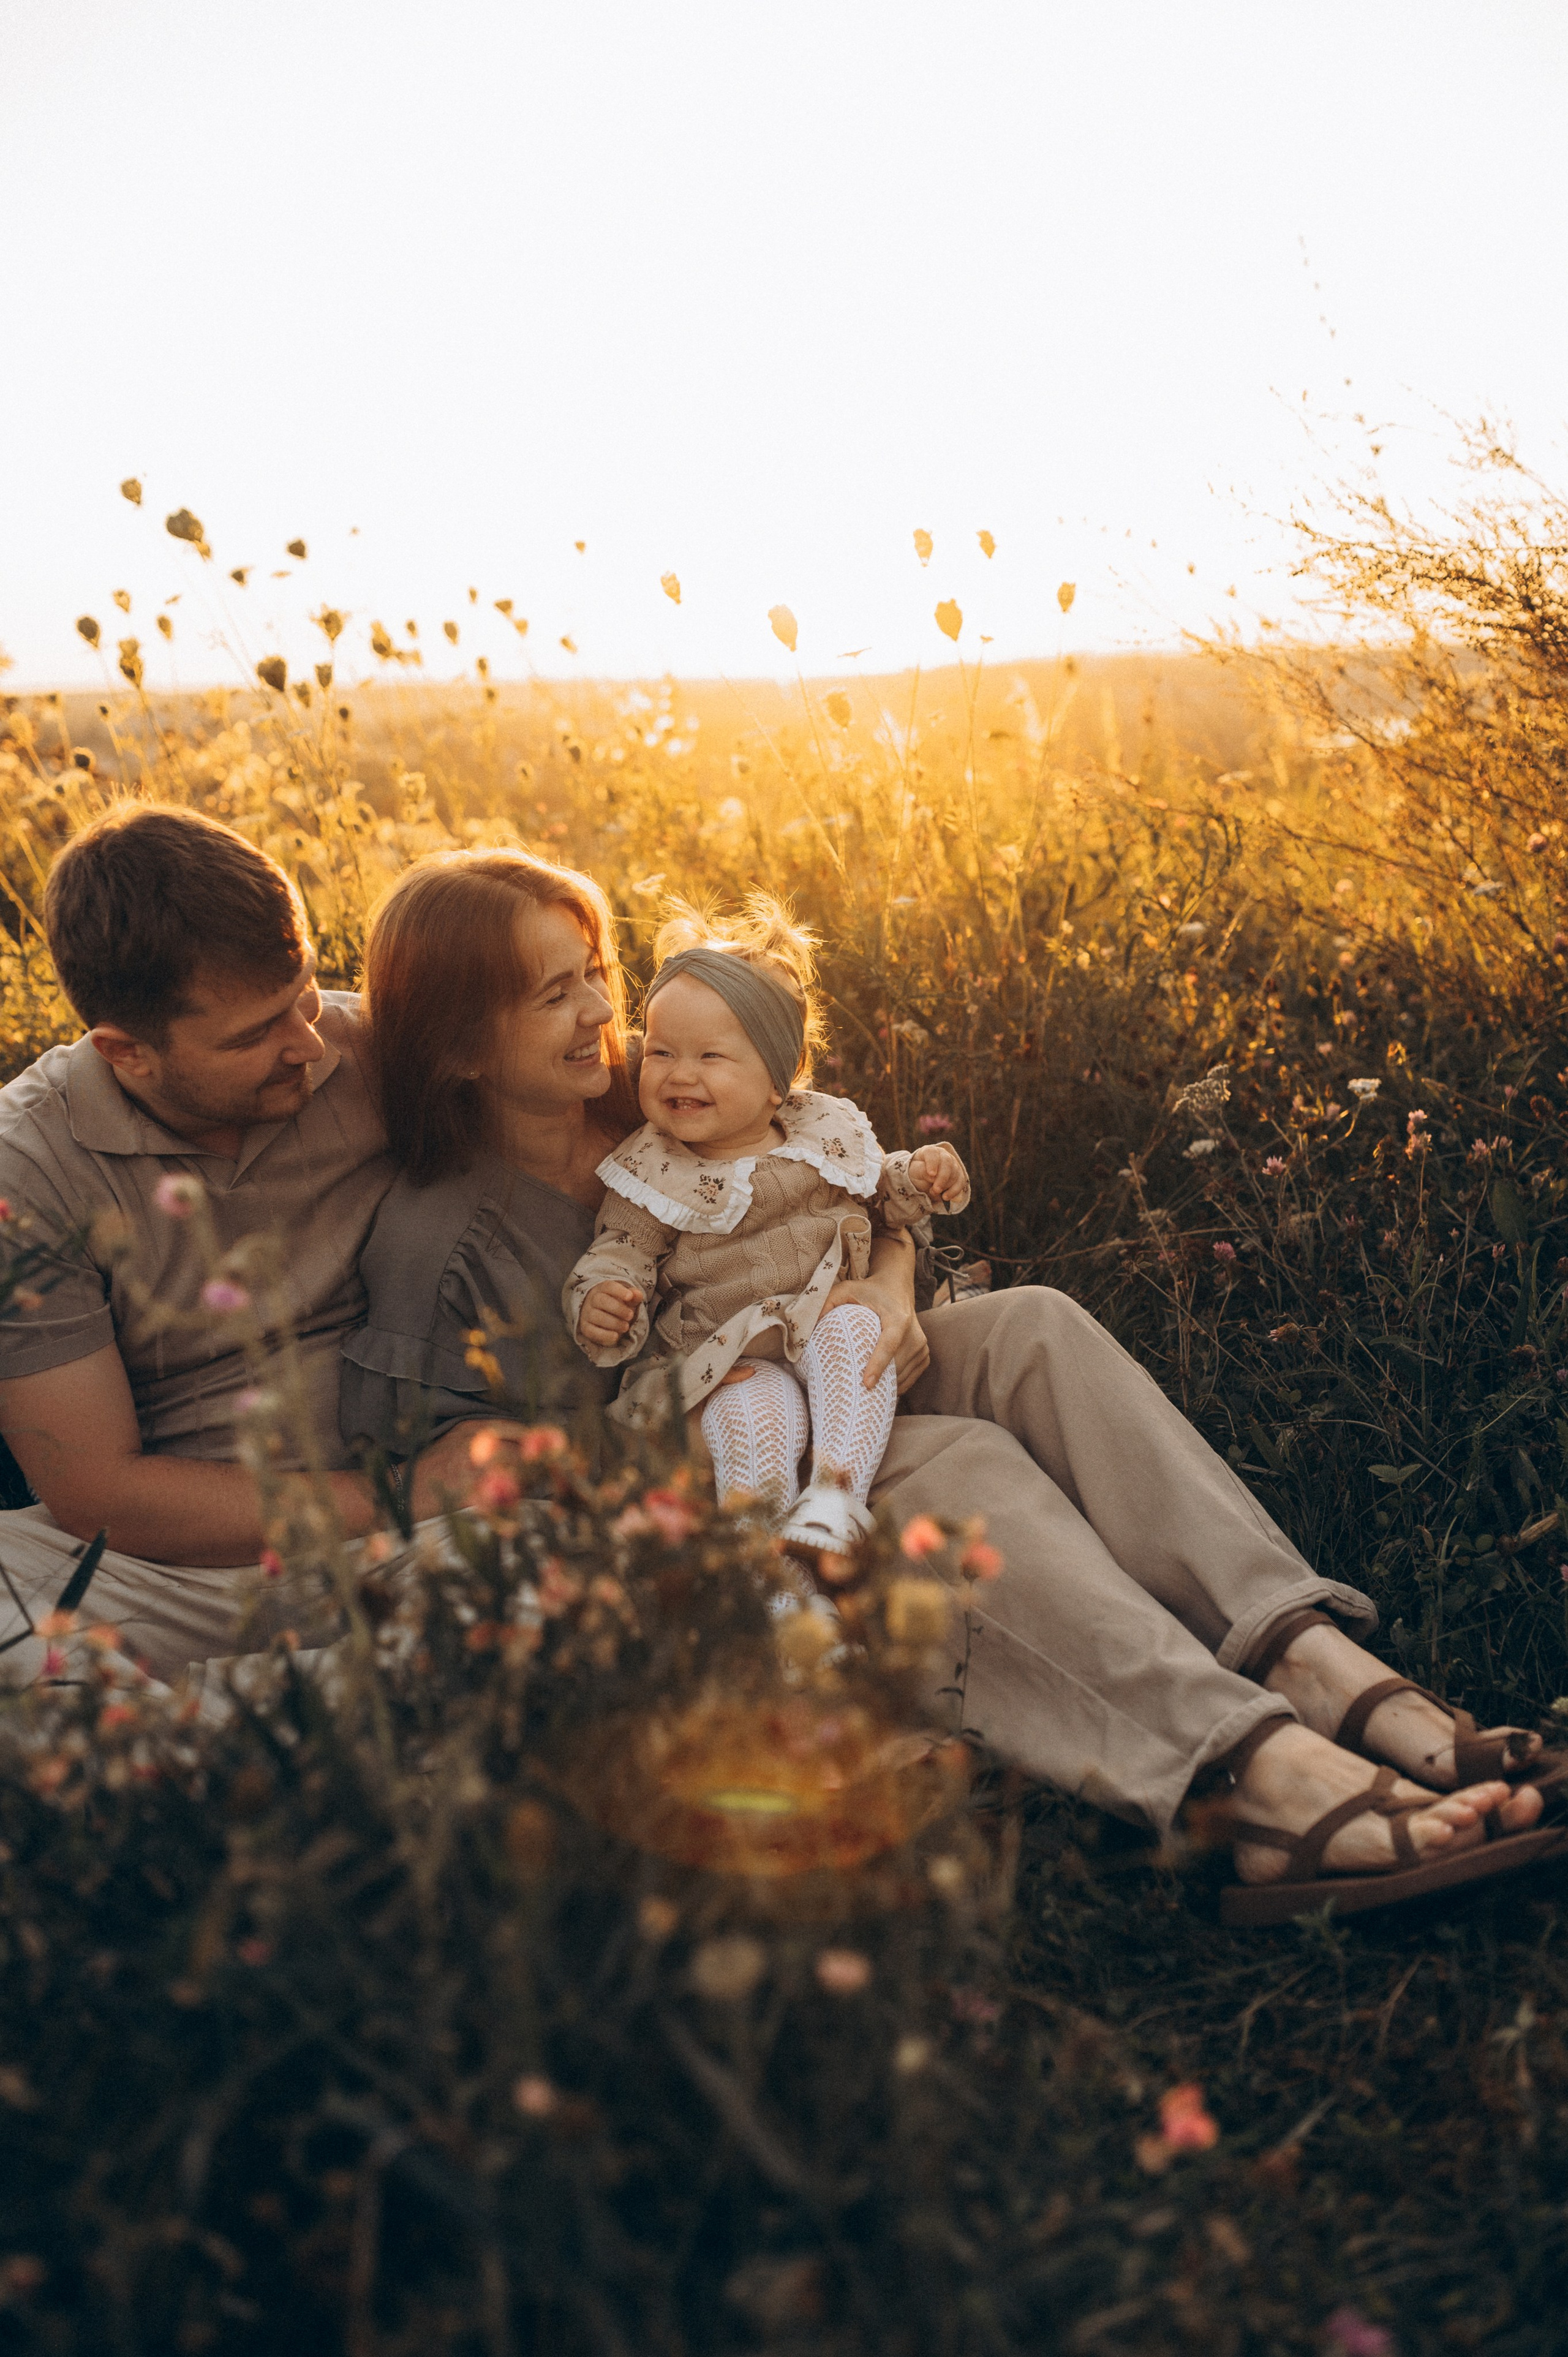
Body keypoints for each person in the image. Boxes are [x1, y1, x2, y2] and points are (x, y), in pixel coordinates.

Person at [343, 845, 1564, 1921]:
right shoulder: (445, 1233)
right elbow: (423, 1476)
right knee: (956, 1463)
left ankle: (1299, 1653)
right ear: (457, 1042)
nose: (598, 1013)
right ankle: (1240, 1765)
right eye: (552, 993)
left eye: (597, 973)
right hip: (713, 1479)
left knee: (1029, 1323)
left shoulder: (656, 1082)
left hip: (822, 1356)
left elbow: (847, 1191)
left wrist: (886, 1284)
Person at [0, 804, 484, 1684]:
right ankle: (321, 1705)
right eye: (254, 1034)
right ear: (126, 1053)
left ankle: (236, 1723)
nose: (307, 1043)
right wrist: (399, 1498)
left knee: (581, 1563)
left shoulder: (375, 1051)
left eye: (302, 992)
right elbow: (97, 1493)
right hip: (166, 1569)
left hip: (414, 1534)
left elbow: (639, 1082)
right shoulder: (24, 1169)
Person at [564, 897, 970, 1561]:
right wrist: (602, 1297)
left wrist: (919, 1175)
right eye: (661, 1051)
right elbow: (620, 1251)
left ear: (779, 1079)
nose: (679, 1073)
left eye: (710, 1056)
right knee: (758, 1414)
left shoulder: (820, 1132)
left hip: (824, 1322)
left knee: (855, 1324)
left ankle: (836, 1499)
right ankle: (768, 1583)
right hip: (724, 1360)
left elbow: (877, 1195)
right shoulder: (651, 1167)